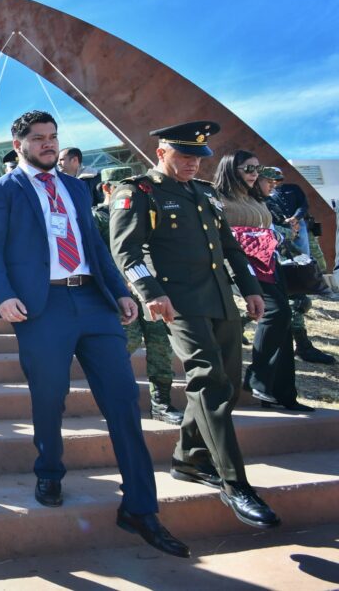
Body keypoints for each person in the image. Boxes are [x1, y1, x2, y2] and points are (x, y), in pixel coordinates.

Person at [0, 110, 188, 558]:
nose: (48, 144)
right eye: (38, 138)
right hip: (43, 307)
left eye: (53, 137)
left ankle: (140, 507)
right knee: (49, 397)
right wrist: (2, 296)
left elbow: (95, 245)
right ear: (19, 145)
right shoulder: (1, 190)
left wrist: (120, 292)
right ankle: (49, 471)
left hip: (94, 302)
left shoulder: (75, 187)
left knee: (123, 400)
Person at [109, 121, 280, 530]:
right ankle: (234, 483)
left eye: (198, 158)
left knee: (226, 383)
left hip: (219, 300)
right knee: (209, 381)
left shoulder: (204, 193)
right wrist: (150, 292)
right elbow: (125, 250)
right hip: (178, 303)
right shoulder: (139, 191)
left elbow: (230, 248)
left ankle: (189, 457)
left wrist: (251, 289)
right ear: (161, 153)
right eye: (184, 156)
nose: (193, 164)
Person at [213, 155, 314, 412]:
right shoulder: (216, 197)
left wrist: (275, 235)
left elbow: (269, 228)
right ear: (230, 169)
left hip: (269, 262)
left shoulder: (255, 197)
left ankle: (282, 394)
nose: (255, 173)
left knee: (285, 320)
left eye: (257, 168)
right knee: (276, 312)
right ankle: (257, 377)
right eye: (249, 168)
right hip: (241, 263)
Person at [93, 167, 182, 425]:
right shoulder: (98, 217)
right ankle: (114, 400)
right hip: (120, 294)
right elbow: (97, 256)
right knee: (122, 346)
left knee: (160, 346)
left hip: (150, 289)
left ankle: (161, 403)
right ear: (106, 188)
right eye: (118, 186)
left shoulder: (145, 210)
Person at [264, 170, 335, 365]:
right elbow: (266, 229)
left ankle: (303, 345)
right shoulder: (257, 201)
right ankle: (301, 346)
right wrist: (289, 230)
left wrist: (294, 224)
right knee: (279, 302)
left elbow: (302, 206)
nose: (273, 184)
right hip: (265, 259)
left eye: (276, 180)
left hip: (284, 252)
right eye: (269, 181)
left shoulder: (288, 192)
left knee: (298, 300)